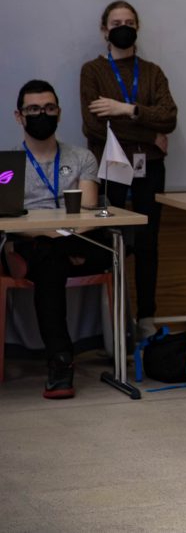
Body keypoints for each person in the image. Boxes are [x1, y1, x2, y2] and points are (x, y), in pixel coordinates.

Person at [2, 80, 111, 399]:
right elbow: (6, 220)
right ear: (19, 116)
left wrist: (57, 236)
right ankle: (61, 362)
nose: (42, 114)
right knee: (49, 258)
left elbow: (87, 211)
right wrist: (48, 236)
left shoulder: (81, 157)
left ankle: (67, 360)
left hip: (75, 238)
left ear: (59, 113)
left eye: (49, 108)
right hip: (30, 242)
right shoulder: (7, 166)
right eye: (33, 109)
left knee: (109, 244)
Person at [80, 0, 177, 341]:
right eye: (116, 23)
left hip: (150, 167)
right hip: (111, 166)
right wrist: (149, 134)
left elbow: (170, 117)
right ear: (104, 30)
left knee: (148, 244)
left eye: (129, 22)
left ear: (138, 28)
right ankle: (118, 319)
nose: (124, 27)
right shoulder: (93, 71)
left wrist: (126, 109)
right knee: (112, 242)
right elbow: (94, 127)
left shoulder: (152, 72)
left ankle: (147, 316)